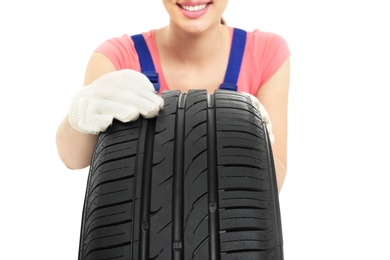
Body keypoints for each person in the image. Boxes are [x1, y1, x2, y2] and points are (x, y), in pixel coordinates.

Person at [56, 0, 290, 192]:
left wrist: (252, 141)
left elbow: (275, 182)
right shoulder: (117, 57)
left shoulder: (266, 53)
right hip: (133, 243)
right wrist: (82, 113)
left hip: (236, 240)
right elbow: (73, 159)